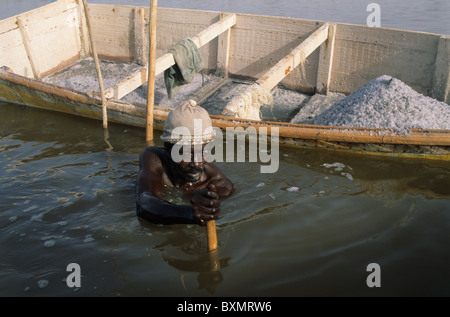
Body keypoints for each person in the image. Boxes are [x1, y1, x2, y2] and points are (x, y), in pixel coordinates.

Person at [136, 100, 233, 225]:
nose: (197, 163)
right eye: (187, 154)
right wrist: (190, 214)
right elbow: (144, 204)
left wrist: (207, 210)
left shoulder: (217, 183)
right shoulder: (154, 158)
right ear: (168, 149)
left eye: (203, 153)